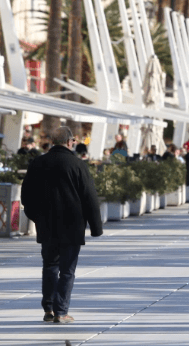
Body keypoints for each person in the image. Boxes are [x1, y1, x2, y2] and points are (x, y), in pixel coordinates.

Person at [20, 126, 103, 324]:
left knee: (49, 266)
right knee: (67, 270)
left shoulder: (38, 162)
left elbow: (26, 195)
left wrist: (36, 217)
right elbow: (90, 197)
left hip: (47, 224)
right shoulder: (78, 164)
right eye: (73, 141)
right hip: (72, 225)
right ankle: (61, 312)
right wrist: (96, 227)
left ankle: (48, 309)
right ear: (69, 142)